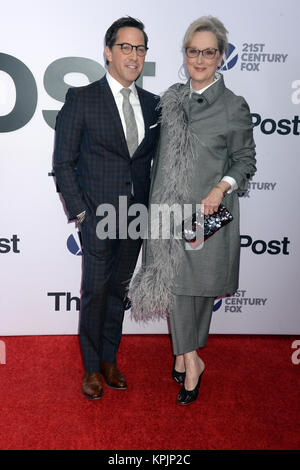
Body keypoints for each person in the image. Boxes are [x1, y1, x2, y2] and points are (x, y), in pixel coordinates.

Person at [129, 16, 256, 405]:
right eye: (192, 51)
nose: (199, 59)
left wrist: (222, 186)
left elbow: (245, 160)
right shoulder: (170, 100)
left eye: (208, 52)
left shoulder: (234, 106)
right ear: (184, 55)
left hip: (206, 215)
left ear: (220, 57)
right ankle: (191, 359)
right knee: (178, 288)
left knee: (199, 291)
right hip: (168, 214)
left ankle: (187, 354)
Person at [53, 17, 160, 400]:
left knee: (118, 291)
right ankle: (90, 367)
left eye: (141, 48)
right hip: (97, 216)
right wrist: (82, 213)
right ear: (109, 51)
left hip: (136, 216)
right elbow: (63, 163)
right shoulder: (82, 99)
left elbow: (154, 162)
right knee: (95, 291)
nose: (134, 56)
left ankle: (109, 360)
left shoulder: (153, 105)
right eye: (127, 47)